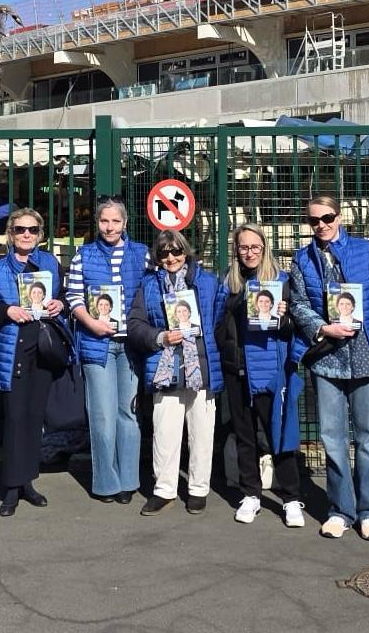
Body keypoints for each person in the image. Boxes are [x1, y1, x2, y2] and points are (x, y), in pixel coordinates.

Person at [289, 195, 369, 540]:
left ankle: (368, 511)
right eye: (314, 220)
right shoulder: (301, 258)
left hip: (366, 355)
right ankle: (340, 510)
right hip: (327, 357)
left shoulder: (365, 249)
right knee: (332, 438)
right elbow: (299, 304)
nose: (321, 225)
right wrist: (322, 328)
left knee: (368, 437)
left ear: (339, 216)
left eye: (327, 217)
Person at [214, 222, 306, 527]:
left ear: (264, 248)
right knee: (244, 435)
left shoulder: (282, 281)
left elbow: (295, 329)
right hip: (237, 368)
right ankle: (251, 493)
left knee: (278, 434)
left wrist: (285, 315)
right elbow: (217, 322)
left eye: (255, 247)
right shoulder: (229, 282)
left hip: (270, 369)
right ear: (236, 250)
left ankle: (291, 498)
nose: (249, 252)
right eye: (243, 247)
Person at [128, 229, 221, 516]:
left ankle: (197, 489)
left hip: (201, 366)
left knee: (201, 432)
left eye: (176, 251)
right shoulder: (149, 285)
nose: (171, 257)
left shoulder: (207, 282)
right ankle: (164, 489)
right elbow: (135, 323)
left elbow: (218, 318)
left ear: (186, 251)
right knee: (165, 432)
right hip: (164, 365)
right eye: (164, 253)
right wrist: (160, 337)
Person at [67, 197, 150, 504]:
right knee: (102, 415)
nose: (110, 227)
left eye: (115, 221)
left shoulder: (142, 255)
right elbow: (74, 296)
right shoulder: (83, 255)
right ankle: (106, 482)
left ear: (124, 223)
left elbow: (152, 292)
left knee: (128, 413)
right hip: (96, 342)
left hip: (131, 346)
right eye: (104, 221)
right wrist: (92, 323)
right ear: (98, 223)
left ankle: (129, 480)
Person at [0, 208, 67, 517]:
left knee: (35, 418)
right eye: (20, 230)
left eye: (32, 230)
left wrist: (59, 302)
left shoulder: (49, 264)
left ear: (40, 234)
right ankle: (10, 487)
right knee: (15, 418)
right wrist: (6, 311)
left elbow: (63, 297)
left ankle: (28, 482)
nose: (26, 235)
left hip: (43, 347)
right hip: (12, 347)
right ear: (10, 234)